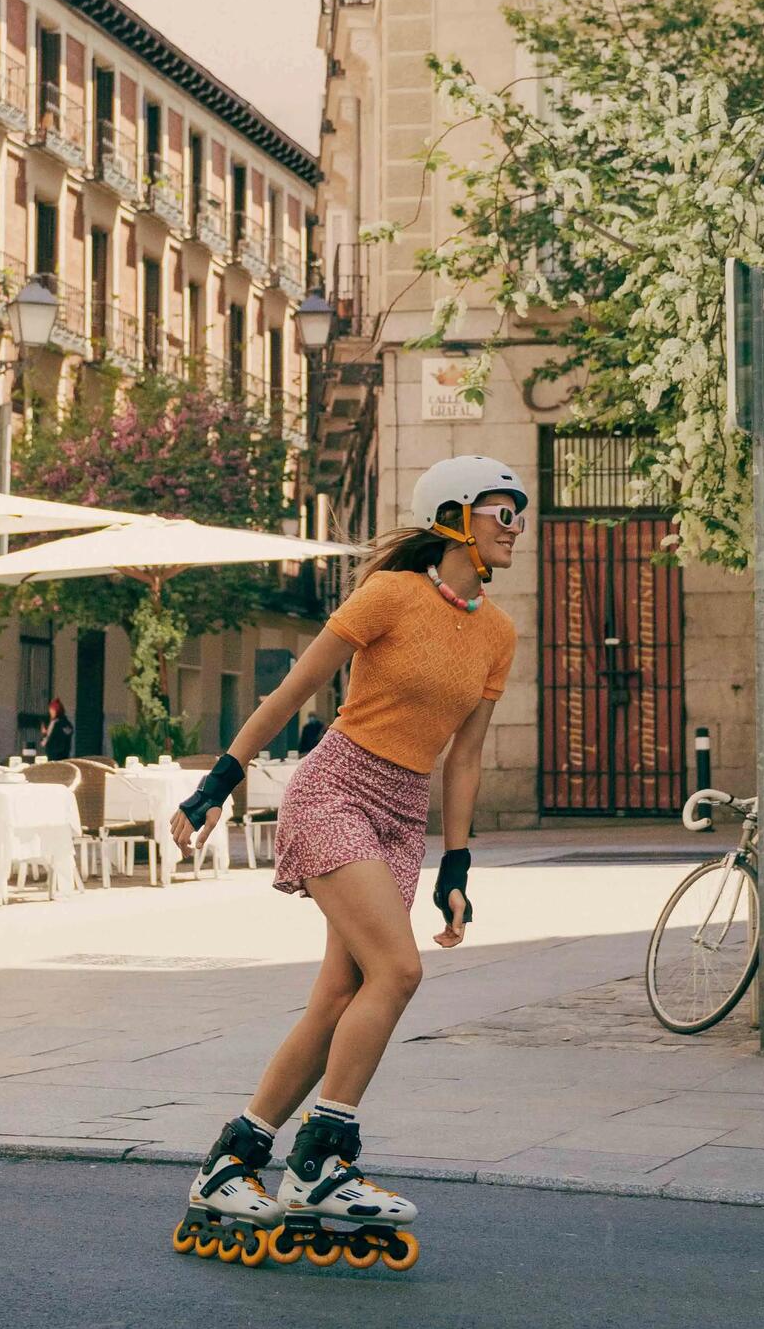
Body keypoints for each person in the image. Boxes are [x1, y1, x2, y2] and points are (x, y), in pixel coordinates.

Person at [168, 455, 524, 1270]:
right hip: (335, 789)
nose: (515, 528)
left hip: (402, 815)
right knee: (397, 973)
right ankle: (323, 1159)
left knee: (340, 994)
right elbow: (291, 691)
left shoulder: (498, 633)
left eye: (519, 515)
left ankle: (231, 1162)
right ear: (454, 517)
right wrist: (219, 783)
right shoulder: (393, 596)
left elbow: (465, 758)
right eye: (502, 512)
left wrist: (457, 867)